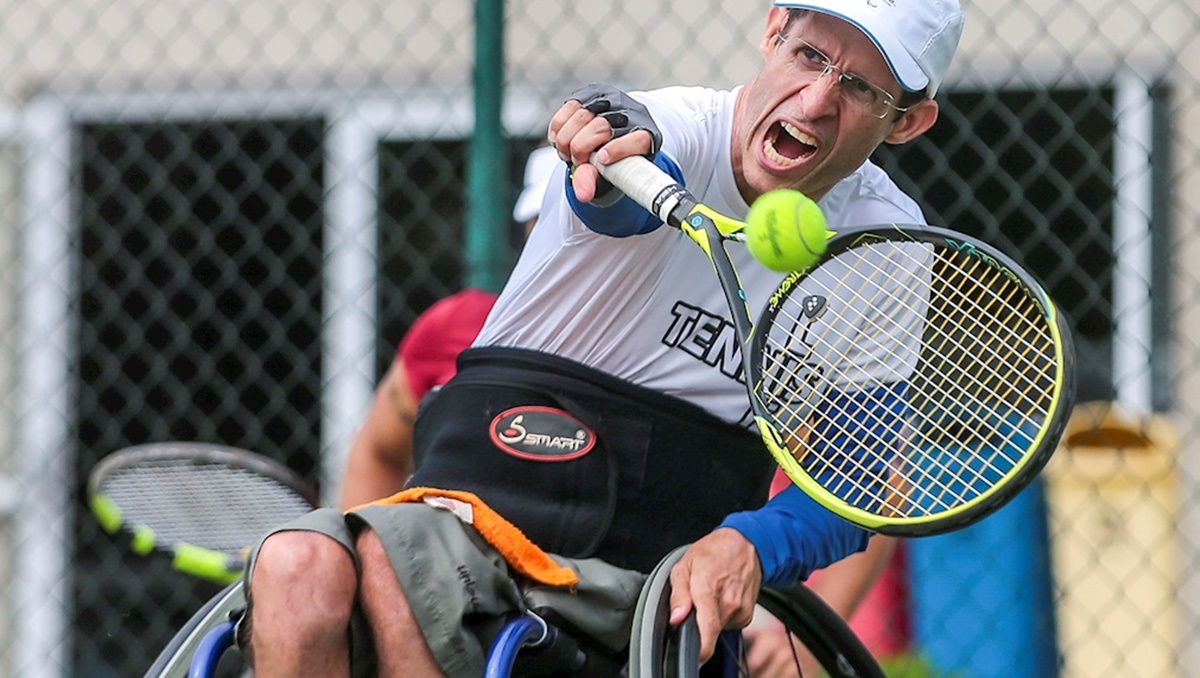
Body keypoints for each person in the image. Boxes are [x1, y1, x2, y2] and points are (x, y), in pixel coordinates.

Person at [242, 1, 965, 676]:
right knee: (294, 568)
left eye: (863, 90)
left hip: (654, 579)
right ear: (773, 30)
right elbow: (623, 184)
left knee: (396, 591)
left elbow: (857, 475)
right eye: (809, 55)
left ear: (907, 121)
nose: (816, 102)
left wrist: (751, 544)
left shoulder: (886, 248)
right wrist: (610, 141)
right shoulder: (676, 126)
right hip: (480, 503)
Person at [339, 146, 559, 510]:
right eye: (549, 217)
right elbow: (378, 452)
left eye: (593, 221)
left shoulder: (662, 340)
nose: (570, 237)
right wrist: (362, 554)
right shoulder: (454, 325)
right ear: (527, 227)